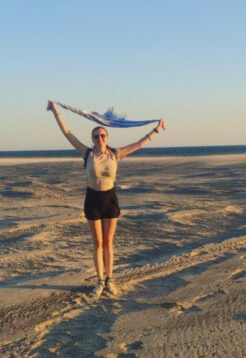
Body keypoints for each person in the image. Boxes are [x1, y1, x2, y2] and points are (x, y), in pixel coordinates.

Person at [47, 100, 166, 297]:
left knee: (109, 243)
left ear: (107, 137)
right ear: (93, 139)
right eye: (96, 136)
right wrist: (55, 111)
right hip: (92, 199)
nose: (100, 138)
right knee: (97, 244)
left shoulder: (115, 154)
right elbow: (67, 133)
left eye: (103, 135)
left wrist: (157, 129)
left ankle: (110, 279)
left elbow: (139, 144)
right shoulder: (86, 154)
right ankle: (99, 281)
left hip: (110, 200)